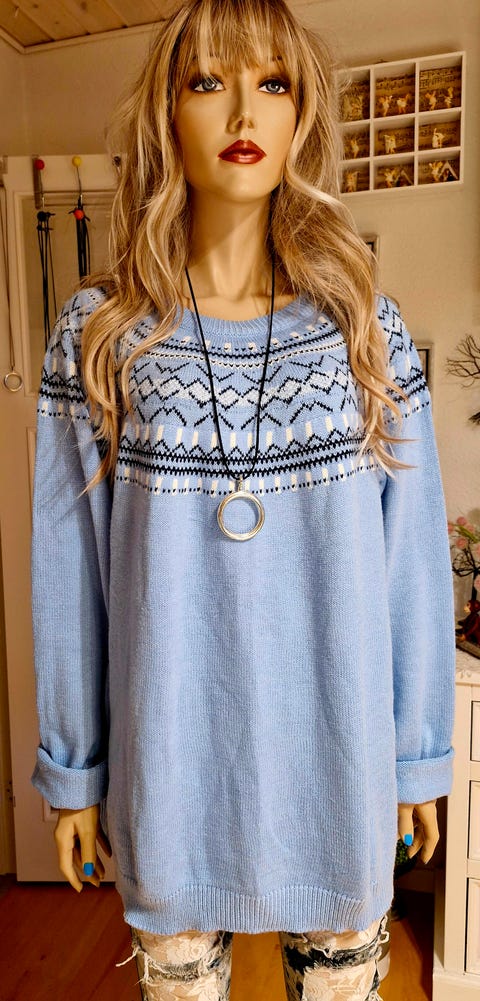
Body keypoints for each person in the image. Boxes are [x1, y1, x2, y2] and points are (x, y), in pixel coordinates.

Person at [30, 1, 455, 999]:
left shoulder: (364, 330)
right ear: (167, 112)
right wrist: (74, 768)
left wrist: (417, 756)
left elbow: (409, 565)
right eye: (207, 80)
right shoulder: (101, 334)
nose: (241, 111)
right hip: (171, 774)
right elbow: (69, 569)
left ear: (301, 113)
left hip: (340, 764)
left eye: (272, 82)